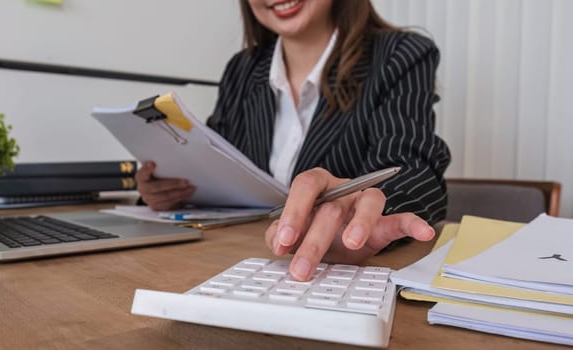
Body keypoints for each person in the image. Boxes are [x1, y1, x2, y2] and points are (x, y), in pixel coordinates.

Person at [135, 0, 451, 281]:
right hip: (234, 265)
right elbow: (219, 166)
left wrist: (362, 217)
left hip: (333, 278)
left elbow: (413, 172)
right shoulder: (242, 69)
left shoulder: (401, 54)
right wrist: (173, 189)